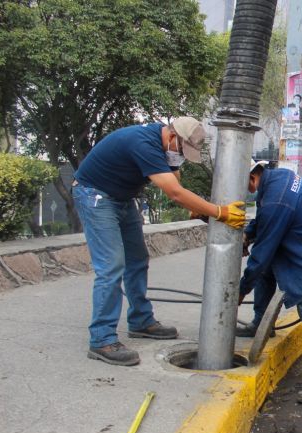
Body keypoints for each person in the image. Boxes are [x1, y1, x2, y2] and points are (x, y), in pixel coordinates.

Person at [72, 117, 246, 366]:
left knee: (137, 259)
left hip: (121, 198)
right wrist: (219, 212)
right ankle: (102, 340)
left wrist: (194, 207)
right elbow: (173, 192)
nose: (182, 158)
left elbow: (175, 181)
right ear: (173, 137)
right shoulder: (143, 144)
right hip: (95, 195)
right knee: (111, 266)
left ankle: (141, 321)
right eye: (182, 151)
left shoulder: (166, 146)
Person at [237, 160, 302, 403]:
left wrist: (241, 291)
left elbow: (261, 253)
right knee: (266, 273)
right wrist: (249, 233)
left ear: (253, 177)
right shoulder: (279, 179)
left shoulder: (276, 197)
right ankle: (260, 323)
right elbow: (265, 219)